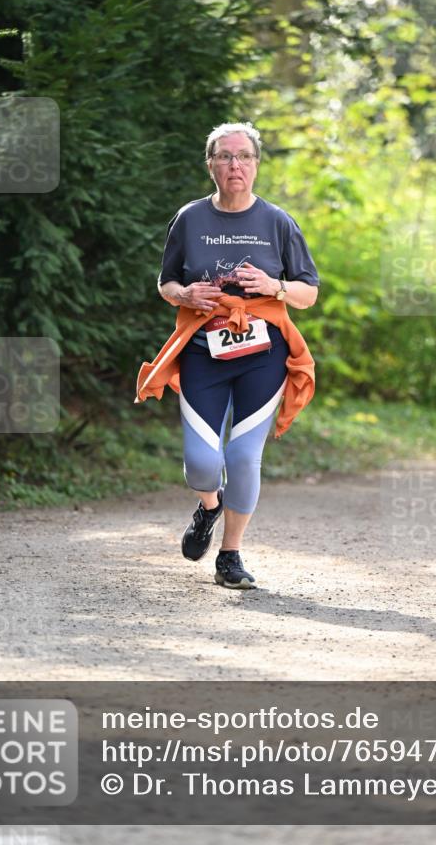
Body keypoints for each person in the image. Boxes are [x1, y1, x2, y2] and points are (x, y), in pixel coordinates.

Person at [137, 122, 319, 590]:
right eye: (224, 156)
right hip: (203, 350)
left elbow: (308, 293)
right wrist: (185, 294)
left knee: (242, 456)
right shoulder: (190, 219)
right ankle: (209, 508)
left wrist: (274, 286)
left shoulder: (278, 222)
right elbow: (166, 283)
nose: (234, 165)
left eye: (243, 156)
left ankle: (231, 555)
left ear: (256, 164)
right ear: (211, 165)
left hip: (264, 353)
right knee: (201, 462)